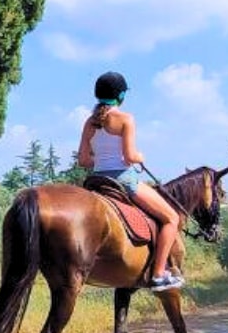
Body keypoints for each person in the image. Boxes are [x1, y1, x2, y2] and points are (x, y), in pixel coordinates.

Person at [77, 71, 184, 291]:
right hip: (123, 179)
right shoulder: (126, 119)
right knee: (171, 218)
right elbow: (129, 157)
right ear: (121, 95)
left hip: (96, 180)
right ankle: (158, 273)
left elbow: (83, 160)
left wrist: (101, 157)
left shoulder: (90, 122)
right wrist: (140, 157)